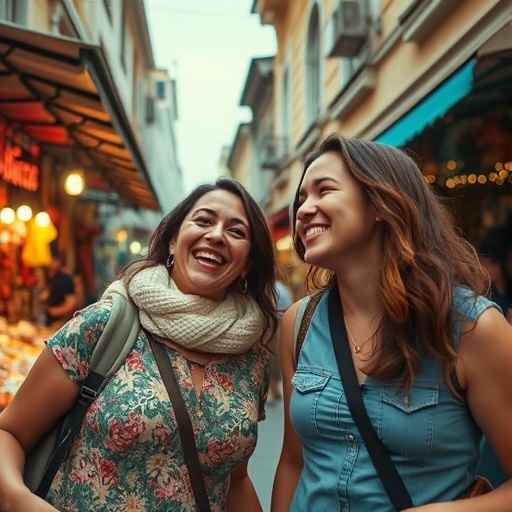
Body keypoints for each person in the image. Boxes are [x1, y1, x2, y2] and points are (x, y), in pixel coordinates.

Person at [0, 177, 278, 512]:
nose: (217, 235)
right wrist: (18, 499)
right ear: (173, 241)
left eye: (236, 231)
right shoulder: (104, 325)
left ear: (247, 263)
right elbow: (9, 432)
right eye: (203, 220)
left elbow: (235, 480)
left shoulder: (253, 360)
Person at [271, 134, 512, 511]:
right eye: (301, 198)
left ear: (382, 203)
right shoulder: (298, 324)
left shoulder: (472, 328)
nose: (302, 210)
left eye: (324, 191)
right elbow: (292, 462)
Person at [268, 278, 293, 401]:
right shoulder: (282, 288)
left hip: (274, 329)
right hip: (279, 328)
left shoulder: (275, 289)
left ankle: (273, 388)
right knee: (276, 359)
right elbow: (289, 309)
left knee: (273, 359)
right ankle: (274, 388)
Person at [39, 250, 77, 328]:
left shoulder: (64, 278)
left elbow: (71, 303)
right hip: (50, 322)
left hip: (61, 323)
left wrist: (54, 311)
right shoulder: (52, 277)